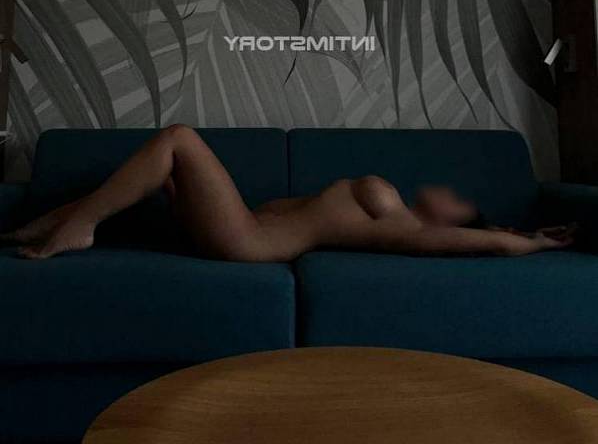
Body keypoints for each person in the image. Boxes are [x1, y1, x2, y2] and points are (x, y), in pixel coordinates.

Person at [0, 125, 575, 261]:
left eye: (459, 200)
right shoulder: (396, 212)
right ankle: (50, 223)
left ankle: (79, 227)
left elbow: (488, 244)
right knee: (166, 173)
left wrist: (528, 240)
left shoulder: (409, 228)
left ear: (459, 222)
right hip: (245, 228)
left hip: (247, 242)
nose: (448, 191)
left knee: (179, 140)